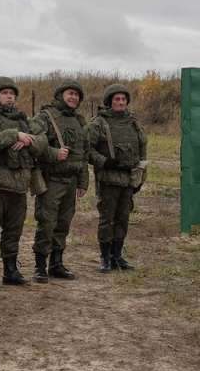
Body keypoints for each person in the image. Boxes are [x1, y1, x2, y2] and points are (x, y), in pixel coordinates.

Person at [0, 76, 48, 289]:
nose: (9, 97)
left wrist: (26, 141)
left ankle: (10, 271)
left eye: (12, 94)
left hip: (19, 185)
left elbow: (42, 141)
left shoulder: (22, 118)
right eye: (5, 93)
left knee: (14, 230)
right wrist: (15, 135)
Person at [29, 80, 89, 282]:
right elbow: (33, 142)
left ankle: (56, 263)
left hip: (71, 181)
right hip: (51, 179)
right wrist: (54, 153)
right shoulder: (45, 117)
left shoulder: (79, 121)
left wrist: (83, 181)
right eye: (70, 93)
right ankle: (39, 266)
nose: (74, 97)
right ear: (60, 95)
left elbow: (83, 153)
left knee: (63, 224)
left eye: (77, 95)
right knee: (46, 223)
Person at [87, 83, 147, 272]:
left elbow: (142, 148)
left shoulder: (133, 122)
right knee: (107, 219)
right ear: (109, 102)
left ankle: (117, 256)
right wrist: (104, 161)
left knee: (123, 218)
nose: (120, 102)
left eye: (123, 99)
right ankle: (105, 258)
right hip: (109, 179)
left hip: (129, 179)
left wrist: (140, 177)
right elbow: (86, 149)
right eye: (116, 99)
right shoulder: (99, 123)